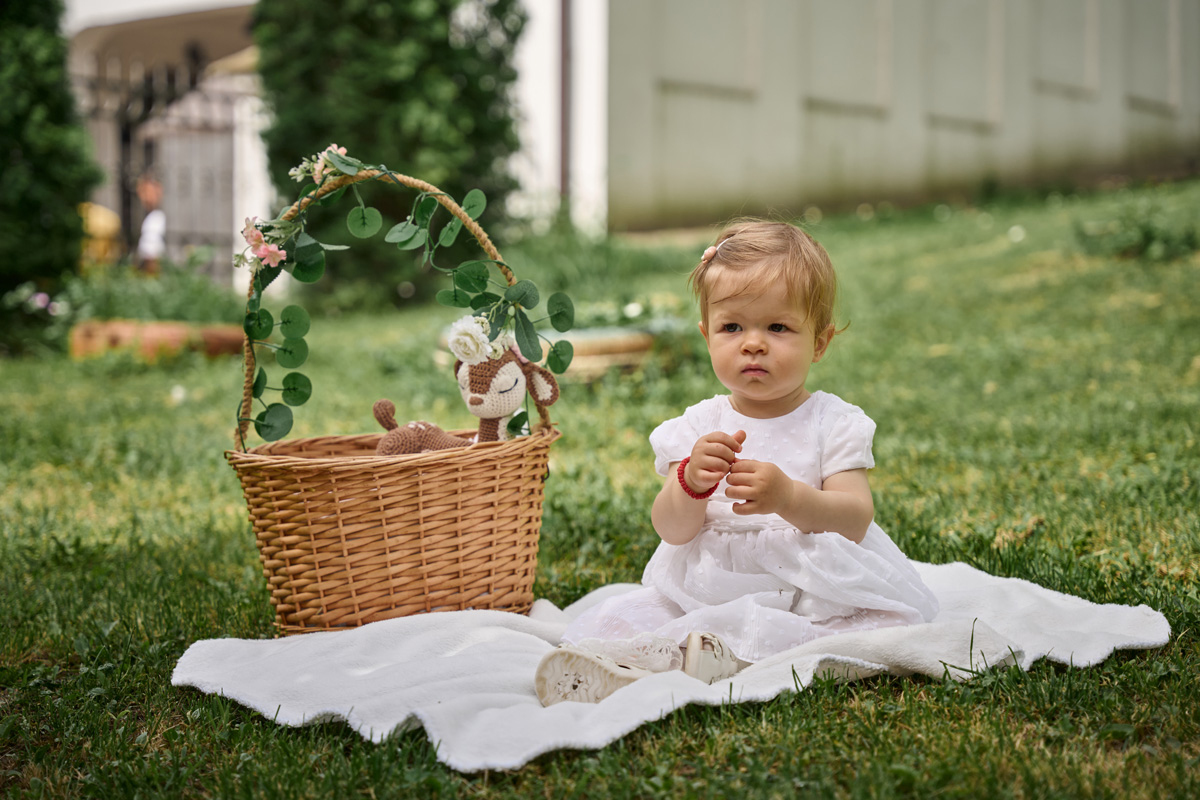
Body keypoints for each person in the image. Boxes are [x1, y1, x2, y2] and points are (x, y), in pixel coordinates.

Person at [535, 220, 939, 706]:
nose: (753, 343)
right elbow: (671, 530)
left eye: (778, 327)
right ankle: (631, 661)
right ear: (707, 336)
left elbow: (855, 519)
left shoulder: (831, 421)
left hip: (806, 583)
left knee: (876, 626)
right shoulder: (699, 424)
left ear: (820, 342)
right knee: (634, 615)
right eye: (732, 327)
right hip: (710, 583)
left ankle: (724, 659)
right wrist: (688, 483)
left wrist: (790, 497)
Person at [136, 171, 166, 275]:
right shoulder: (148, 216)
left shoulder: (156, 218)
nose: (143, 197)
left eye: (146, 191)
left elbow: (151, 255)